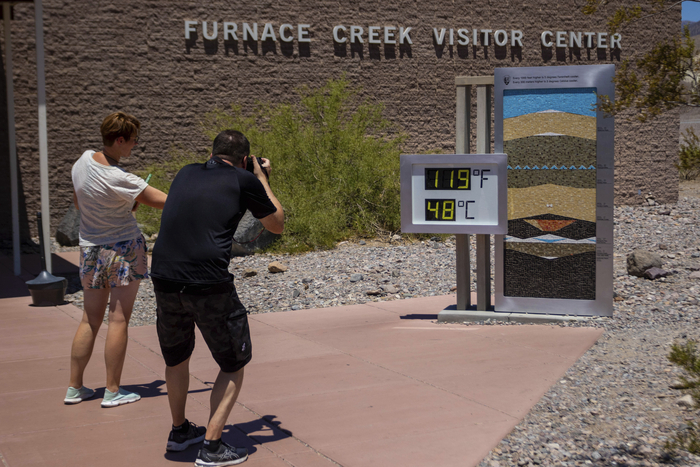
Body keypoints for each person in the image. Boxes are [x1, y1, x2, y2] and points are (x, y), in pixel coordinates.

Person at [150, 130, 284, 466]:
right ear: (243, 159)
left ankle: (180, 431)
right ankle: (211, 446)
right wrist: (261, 177)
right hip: (208, 284)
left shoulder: (185, 172)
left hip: (164, 279)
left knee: (176, 358)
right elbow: (276, 223)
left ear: (212, 153)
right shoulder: (244, 178)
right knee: (233, 363)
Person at [65, 112, 167, 408]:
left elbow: (78, 202)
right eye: (133, 141)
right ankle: (112, 391)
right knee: (118, 319)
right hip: (122, 251)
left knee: (89, 319)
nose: (135, 146)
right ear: (120, 140)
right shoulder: (120, 178)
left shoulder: (82, 161)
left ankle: (74, 387)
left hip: (90, 249)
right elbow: (165, 201)